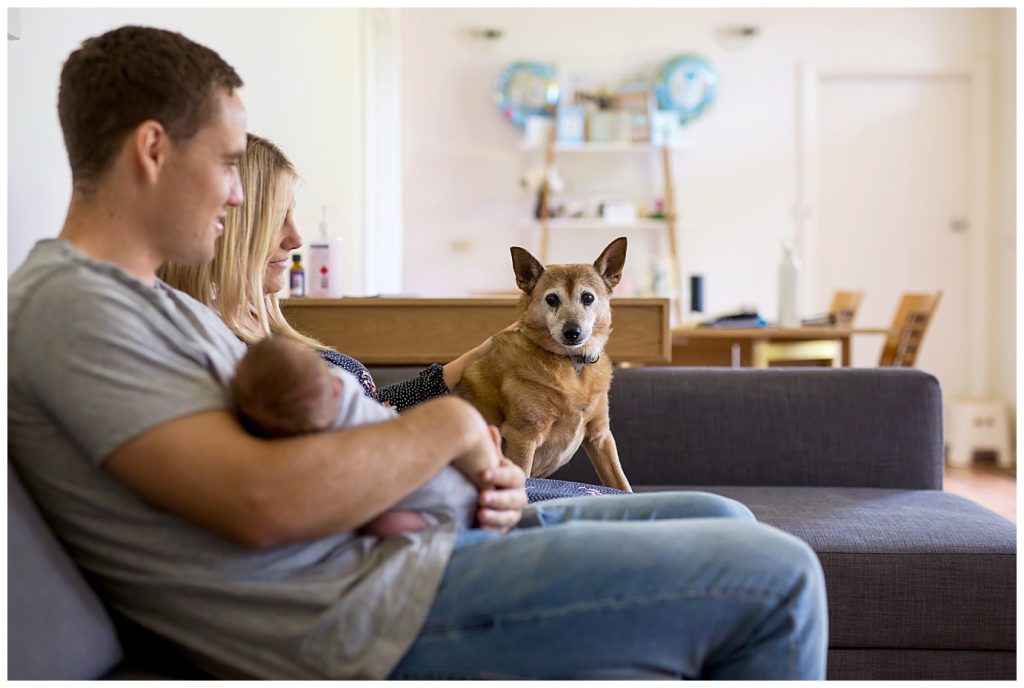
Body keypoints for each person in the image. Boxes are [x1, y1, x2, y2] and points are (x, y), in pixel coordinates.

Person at [8, 25, 828, 679]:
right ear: (152, 150)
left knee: (721, 517)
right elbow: (263, 504)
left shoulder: (151, 306)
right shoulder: (70, 308)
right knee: (782, 579)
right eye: (227, 163)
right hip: (360, 606)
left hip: (423, 550)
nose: (235, 190)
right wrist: (455, 434)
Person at [159, 130, 629, 503]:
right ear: (235, 225)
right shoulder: (226, 351)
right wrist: (452, 435)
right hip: (440, 496)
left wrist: (461, 367)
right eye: (278, 219)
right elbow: (324, 465)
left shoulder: (264, 333)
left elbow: (372, 413)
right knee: (696, 516)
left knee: (696, 512)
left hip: (440, 483)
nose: (297, 238)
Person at [232, 335, 480, 537]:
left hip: (430, 477)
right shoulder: (232, 345)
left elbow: (379, 404)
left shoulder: (269, 349)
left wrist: (472, 358)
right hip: (425, 482)